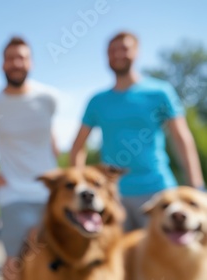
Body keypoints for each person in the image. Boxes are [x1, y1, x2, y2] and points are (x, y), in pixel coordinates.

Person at [70, 31, 205, 232]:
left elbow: (181, 137)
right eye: (112, 50)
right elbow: (78, 147)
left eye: (124, 48)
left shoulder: (160, 92)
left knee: (162, 259)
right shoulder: (97, 101)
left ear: (137, 51)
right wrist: (79, 187)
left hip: (157, 191)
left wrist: (196, 186)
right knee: (119, 260)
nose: (118, 54)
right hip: (114, 197)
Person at [0, 36, 59, 279]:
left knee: (55, 258)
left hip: (50, 193)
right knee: (16, 264)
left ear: (30, 63)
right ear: (3, 64)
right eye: (11, 58)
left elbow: (48, 132)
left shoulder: (48, 98)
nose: (16, 63)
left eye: (21, 58)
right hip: (13, 194)